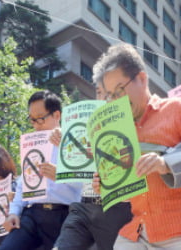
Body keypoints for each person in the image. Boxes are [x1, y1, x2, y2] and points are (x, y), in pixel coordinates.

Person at [92, 43, 181, 249]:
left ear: (142, 79)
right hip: (137, 231)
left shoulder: (179, 109)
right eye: (110, 95)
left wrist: (165, 164)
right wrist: (107, 184)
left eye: (119, 90)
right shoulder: (118, 131)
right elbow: (128, 190)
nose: (115, 101)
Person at [0, 90, 83, 250]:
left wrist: (61, 175)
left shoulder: (75, 141)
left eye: (41, 119)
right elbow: (24, 185)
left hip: (66, 215)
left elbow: (87, 185)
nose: (36, 125)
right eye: (32, 120)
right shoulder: (31, 144)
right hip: (32, 215)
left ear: (57, 115)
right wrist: (13, 213)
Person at [53, 82, 133, 250]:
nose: (102, 97)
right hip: (83, 206)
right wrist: (64, 138)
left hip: (117, 209)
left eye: (108, 93)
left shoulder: (130, 125)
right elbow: (76, 176)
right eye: (98, 92)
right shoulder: (85, 125)